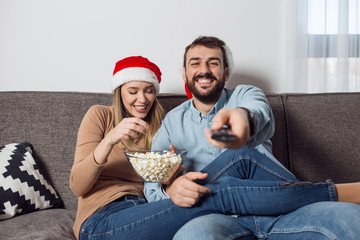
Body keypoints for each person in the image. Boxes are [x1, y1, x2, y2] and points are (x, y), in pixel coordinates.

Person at [71, 56, 340, 240]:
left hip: (144, 211)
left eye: (149, 91)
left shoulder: (160, 126)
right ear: (119, 92)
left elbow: (155, 186)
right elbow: (78, 185)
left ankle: (309, 201)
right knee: (214, 195)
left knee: (243, 155)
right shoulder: (101, 116)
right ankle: (334, 193)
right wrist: (109, 140)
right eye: (133, 91)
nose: (142, 99)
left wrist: (171, 174)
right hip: (101, 221)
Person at [144, 36, 360, 239]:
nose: (204, 70)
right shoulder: (171, 122)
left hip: (281, 209)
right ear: (184, 73)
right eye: (195, 63)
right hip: (217, 219)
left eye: (213, 63)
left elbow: (258, 113)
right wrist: (170, 189)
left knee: (351, 218)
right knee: (193, 236)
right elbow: (151, 184)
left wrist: (243, 119)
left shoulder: (245, 95)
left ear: (226, 72)